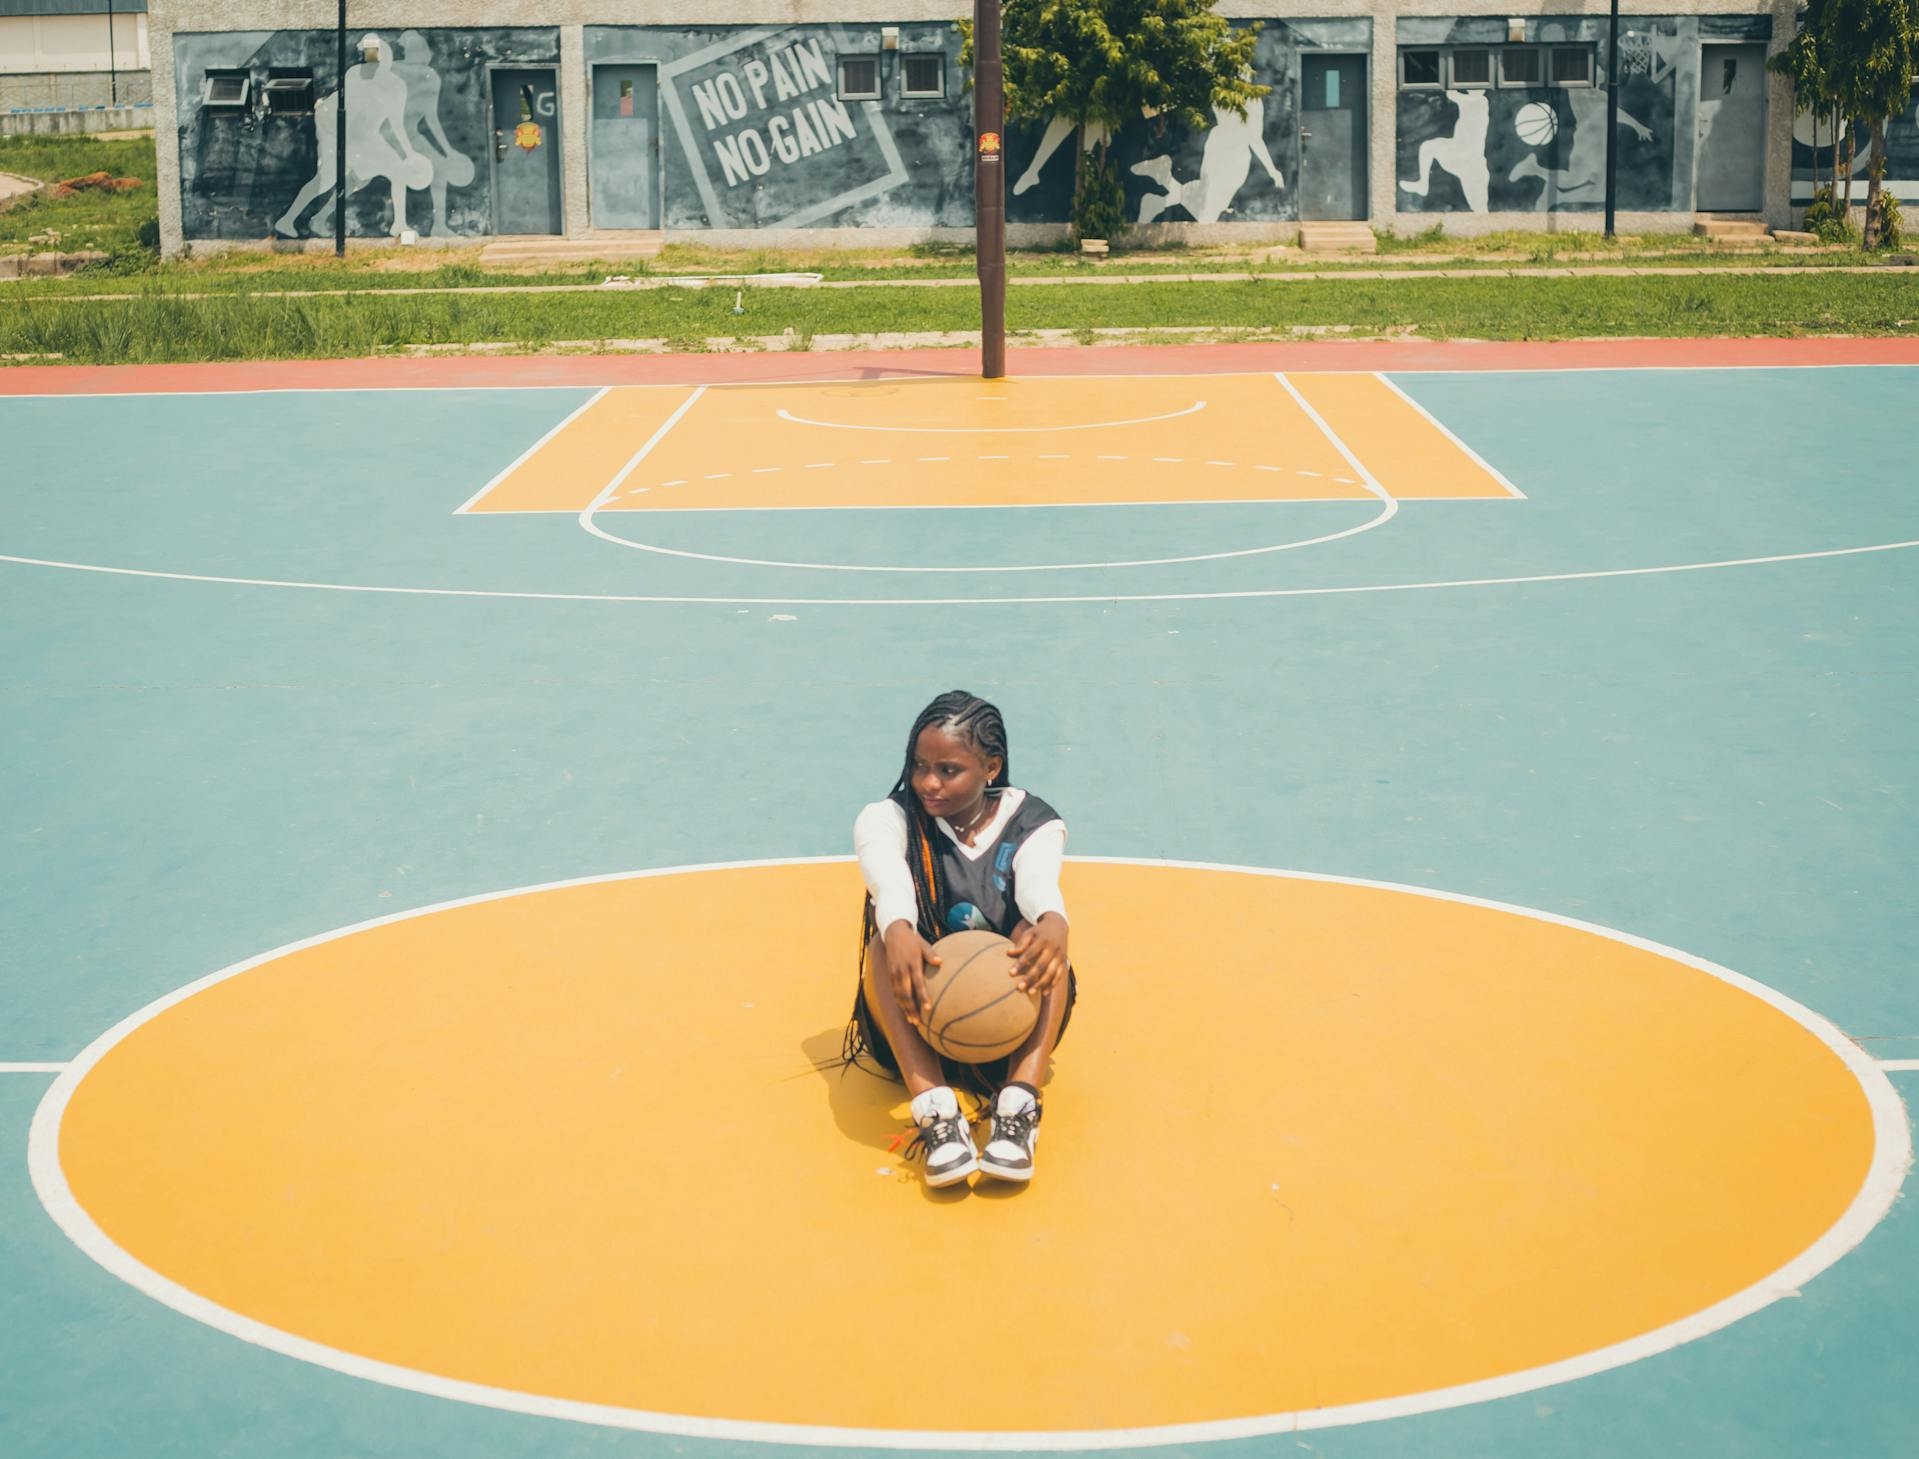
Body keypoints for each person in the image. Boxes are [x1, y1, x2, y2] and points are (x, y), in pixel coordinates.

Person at [846, 691, 1076, 1189]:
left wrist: (1055, 921)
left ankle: (1018, 1105)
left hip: (1009, 1030)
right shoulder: (887, 819)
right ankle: (935, 1110)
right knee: (884, 944)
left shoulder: (1033, 822)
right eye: (920, 766)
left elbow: (1038, 886)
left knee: (1041, 938)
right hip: (913, 1020)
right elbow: (889, 883)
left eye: (948, 770)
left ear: (991, 767)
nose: (929, 782)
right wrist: (901, 929)